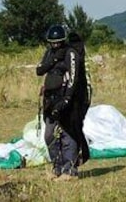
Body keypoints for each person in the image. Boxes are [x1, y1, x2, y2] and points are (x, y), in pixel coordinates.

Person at [36, 24, 91, 180]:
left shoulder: (71, 54)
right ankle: (57, 167)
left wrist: (67, 98)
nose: (55, 45)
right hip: (50, 99)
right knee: (49, 135)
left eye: (58, 42)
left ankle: (70, 171)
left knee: (68, 134)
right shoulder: (50, 53)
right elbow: (40, 70)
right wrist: (53, 59)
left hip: (68, 99)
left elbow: (73, 78)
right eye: (52, 43)